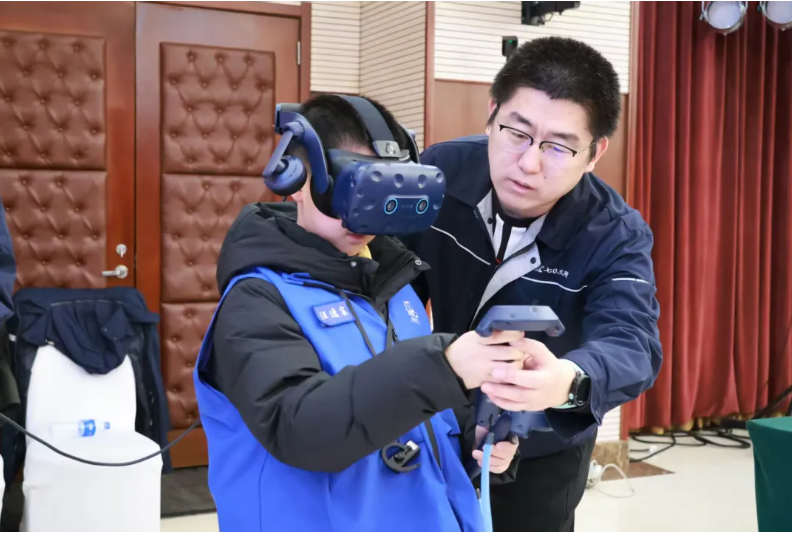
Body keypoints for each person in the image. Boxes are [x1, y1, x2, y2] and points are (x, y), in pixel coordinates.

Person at [192, 95, 524, 532]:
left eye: (380, 191)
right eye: (348, 190)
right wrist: (440, 365)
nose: (362, 217)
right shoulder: (257, 300)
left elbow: (416, 413)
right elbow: (302, 429)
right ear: (296, 178)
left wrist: (475, 437)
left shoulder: (397, 285)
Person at [401, 37, 663, 531]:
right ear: (492, 114)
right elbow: (389, 285)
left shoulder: (615, 233)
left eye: (559, 147)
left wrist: (566, 381)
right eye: (516, 133)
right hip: (435, 422)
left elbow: (633, 344)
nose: (528, 163)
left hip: (541, 451)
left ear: (595, 153)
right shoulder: (441, 173)